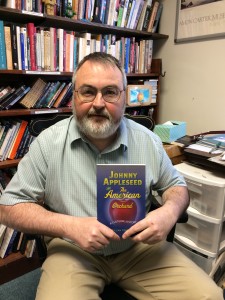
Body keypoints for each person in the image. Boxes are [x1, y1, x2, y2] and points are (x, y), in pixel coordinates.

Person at [0, 52, 222, 300]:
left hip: (138, 249)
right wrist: (69, 226)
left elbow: (176, 186)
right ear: (74, 97)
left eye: (110, 92)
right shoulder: (48, 143)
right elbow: (9, 206)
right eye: (87, 91)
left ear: (124, 97)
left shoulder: (148, 141)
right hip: (74, 250)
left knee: (209, 297)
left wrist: (169, 212)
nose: (98, 103)